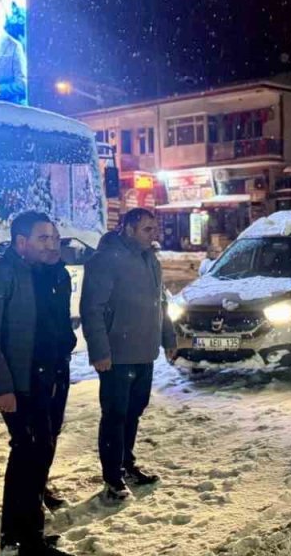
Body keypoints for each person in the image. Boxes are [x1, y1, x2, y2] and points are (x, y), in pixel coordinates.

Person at [0, 211, 75, 556]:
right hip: (20, 381)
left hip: (51, 374)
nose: (51, 245)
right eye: (43, 238)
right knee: (28, 453)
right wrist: (1, 389)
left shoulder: (50, 272)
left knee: (41, 450)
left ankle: (20, 534)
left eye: (54, 238)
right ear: (20, 242)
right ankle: (25, 540)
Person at [80, 208, 175, 503]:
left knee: (134, 411)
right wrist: (99, 351)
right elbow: (91, 309)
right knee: (115, 415)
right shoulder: (106, 260)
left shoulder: (150, 259)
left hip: (144, 351)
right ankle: (112, 477)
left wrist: (168, 337)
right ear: (129, 229)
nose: (154, 234)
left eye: (154, 229)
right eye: (147, 229)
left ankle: (126, 463)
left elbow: (161, 301)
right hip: (117, 354)